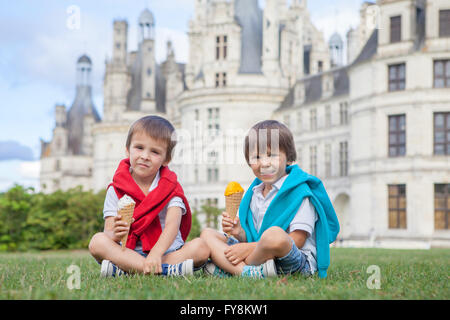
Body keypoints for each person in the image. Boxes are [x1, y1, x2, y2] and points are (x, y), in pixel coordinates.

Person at [200, 120, 340, 279]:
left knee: (275, 235)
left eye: (272, 155)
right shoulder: (255, 192)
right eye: (256, 157)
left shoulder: (300, 192)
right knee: (207, 234)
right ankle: (247, 272)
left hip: (294, 260)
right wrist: (238, 232)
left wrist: (249, 248)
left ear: (288, 158)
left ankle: (232, 269)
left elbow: (298, 240)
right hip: (260, 256)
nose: (264, 163)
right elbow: (254, 235)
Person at [89, 115, 210, 277]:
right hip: (130, 252)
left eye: (154, 151)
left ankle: (128, 270)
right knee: (97, 242)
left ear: (166, 159)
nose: (145, 156)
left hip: (168, 252)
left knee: (201, 248)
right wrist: (116, 234)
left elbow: (172, 227)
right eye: (139, 147)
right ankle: (166, 271)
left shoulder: (171, 187)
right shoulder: (116, 188)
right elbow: (109, 231)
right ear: (127, 149)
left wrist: (155, 254)